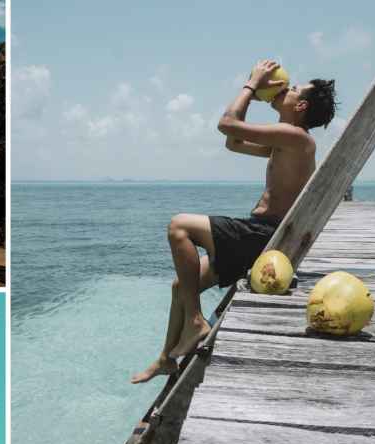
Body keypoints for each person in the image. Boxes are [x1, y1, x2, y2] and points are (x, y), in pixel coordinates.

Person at [131, 60, 337, 384]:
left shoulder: (297, 137)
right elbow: (233, 142)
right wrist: (256, 96)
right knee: (181, 286)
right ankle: (166, 359)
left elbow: (226, 124)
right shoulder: (285, 140)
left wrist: (252, 84)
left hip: (263, 236)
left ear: (301, 106)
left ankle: (196, 321)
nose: (286, 88)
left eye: (294, 89)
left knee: (178, 226)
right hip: (257, 233)